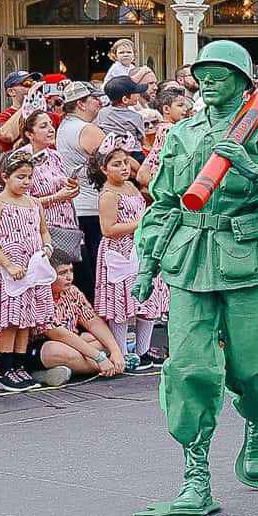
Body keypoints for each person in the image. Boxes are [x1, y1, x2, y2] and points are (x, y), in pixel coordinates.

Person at [133, 40, 258, 516]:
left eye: (220, 72)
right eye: (203, 73)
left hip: (247, 263)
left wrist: (253, 171)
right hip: (189, 262)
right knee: (189, 369)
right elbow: (164, 203)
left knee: (252, 368)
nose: (208, 80)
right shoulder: (182, 134)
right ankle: (196, 476)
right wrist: (148, 261)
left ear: (242, 82)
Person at [0, 149, 56, 391]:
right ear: (5, 176)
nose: (26, 182)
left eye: (29, 177)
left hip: (31, 269)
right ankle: (5, 368)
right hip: (8, 270)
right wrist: (8, 264)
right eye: (20, 176)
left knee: (26, 319)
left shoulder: (34, 204)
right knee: (10, 319)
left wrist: (47, 245)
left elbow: (43, 230)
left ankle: (19, 365)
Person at [93, 147, 165, 369]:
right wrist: (141, 223)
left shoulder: (131, 187)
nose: (124, 168)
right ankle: (122, 351)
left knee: (147, 299)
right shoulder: (109, 194)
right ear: (104, 169)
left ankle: (143, 350)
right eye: (116, 164)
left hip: (140, 247)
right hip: (120, 250)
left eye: (125, 162)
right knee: (121, 303)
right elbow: (108, 228)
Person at [35, 250, 124, 382]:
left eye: (71, 271)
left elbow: (93, 321)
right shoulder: (39, 296)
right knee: (56, 350)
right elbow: (59, 334)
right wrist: (99, 358)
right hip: (41, 348)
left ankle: (65, 370)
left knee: (101, 340)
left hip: (72, 342)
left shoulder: (72, 291)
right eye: (62, 273)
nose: (69, 277)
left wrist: (116, 350)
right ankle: (106, 366)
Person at [56, 81, 107, 303]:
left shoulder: (64, 127)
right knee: (98, 271)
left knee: (84, 272)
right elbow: (114, 161)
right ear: (81, 104)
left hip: (76, 207)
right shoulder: (87, 130)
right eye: (95, 99)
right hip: (94, 207)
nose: (99, 103)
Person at [98, 76, 149, 154]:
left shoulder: (102, 112)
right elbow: (142, 138)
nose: (138, 95)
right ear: (125, 99)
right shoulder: (136, 116)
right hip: (134, 152)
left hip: (110, 152)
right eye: (135, 93)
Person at [0, 70, 41, 152]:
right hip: (20, 162)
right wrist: (27, 103)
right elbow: (7, 135)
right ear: (11, 91)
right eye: (27, 84)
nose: (32, 87)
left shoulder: (42, 111)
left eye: (34, 83)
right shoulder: (4, 116)